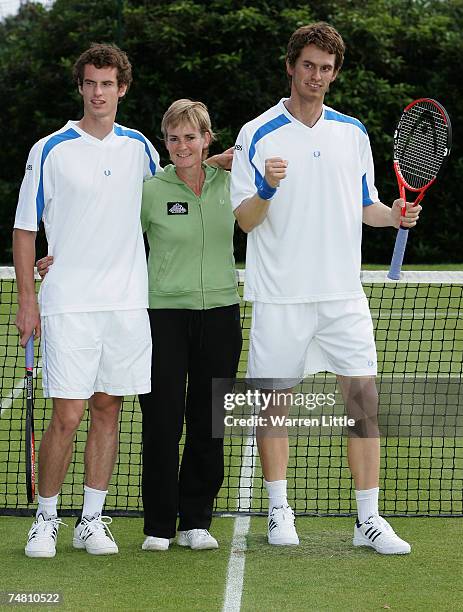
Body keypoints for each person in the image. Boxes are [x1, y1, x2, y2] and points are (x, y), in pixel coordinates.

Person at [230, 22, 420, 554]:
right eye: (308, 65)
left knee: (363, 400)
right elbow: (245, 220)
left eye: (326, 68)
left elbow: (366, 206)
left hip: (342, 295)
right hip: (280, 295)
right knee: (273, 404)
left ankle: (368, 518)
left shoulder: (352, 133)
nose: (317, 76)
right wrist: (267, 186)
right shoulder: (256, 133)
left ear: (335, 73)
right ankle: (278, 509)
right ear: (291, 66)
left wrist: (395, 215)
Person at [14, 43, 158, 558]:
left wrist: (214, 163)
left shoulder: (142, 149)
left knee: (107, 409)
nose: (98, 92)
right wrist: (27, 299)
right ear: (81, 87)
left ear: (122, 88)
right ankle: (46, 518)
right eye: (90, 83)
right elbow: (25, 229)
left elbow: (163, 206)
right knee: (68, 414)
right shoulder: (50, 149)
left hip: (125, 305)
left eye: (108, 83)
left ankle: (91, 520)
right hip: (68, 303)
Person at [139, 99, 242, 551]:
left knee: (209, 421)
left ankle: (196, 520)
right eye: (174, 138)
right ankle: (159, 524)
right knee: (162, 422)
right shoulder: (150, 190)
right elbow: (111, 237)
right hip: (161, 316)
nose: (182, 145)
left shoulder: (231, 183)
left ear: (207, 139)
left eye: (191, 137)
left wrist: (226, 163)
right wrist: (59, 258)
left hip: (221, 314)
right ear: (165, 141)